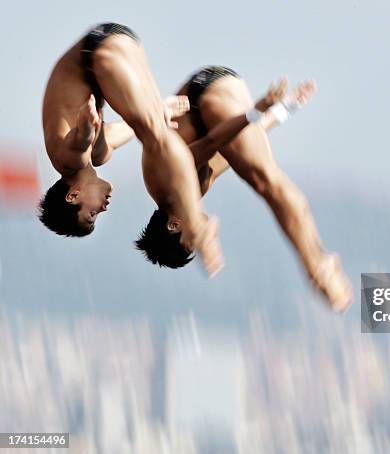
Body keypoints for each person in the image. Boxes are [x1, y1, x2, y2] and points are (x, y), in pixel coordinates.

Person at [136, 66, 353, 312]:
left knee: (266, 181)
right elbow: (234, 151)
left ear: (173, 225)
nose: (197, 232)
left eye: (190, 240)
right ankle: (317, 260)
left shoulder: (162, 184)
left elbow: (211, 143)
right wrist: (285, 108)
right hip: (217, 93)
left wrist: (257, 110)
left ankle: (317, 267)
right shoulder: (196, 189)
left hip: (203, 97)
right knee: (262, 176)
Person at [40, 22, 222, 275]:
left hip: (98, 51)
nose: (103, 208)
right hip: (116, 43)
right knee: (152, 131)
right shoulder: (96, 156)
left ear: (73, 195)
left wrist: (86, 126)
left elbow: (78, 142)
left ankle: (194, 222)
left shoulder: (67, 161)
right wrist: (158, 111)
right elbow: (128, 129)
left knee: (156, 138)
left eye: (92, 213)